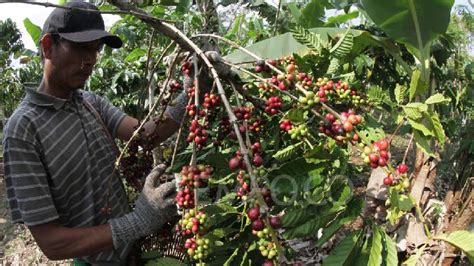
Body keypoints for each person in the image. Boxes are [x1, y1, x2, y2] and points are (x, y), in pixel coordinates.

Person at [2, 1, 192, 264]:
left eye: (96, 50)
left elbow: (145, 135)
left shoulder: (91, 102)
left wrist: (188, 95)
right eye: (81, 48)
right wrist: (136, 222)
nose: (91, 60)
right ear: (48, 46)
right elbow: (51, 243)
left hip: (135, 252)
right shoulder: (23, 131)